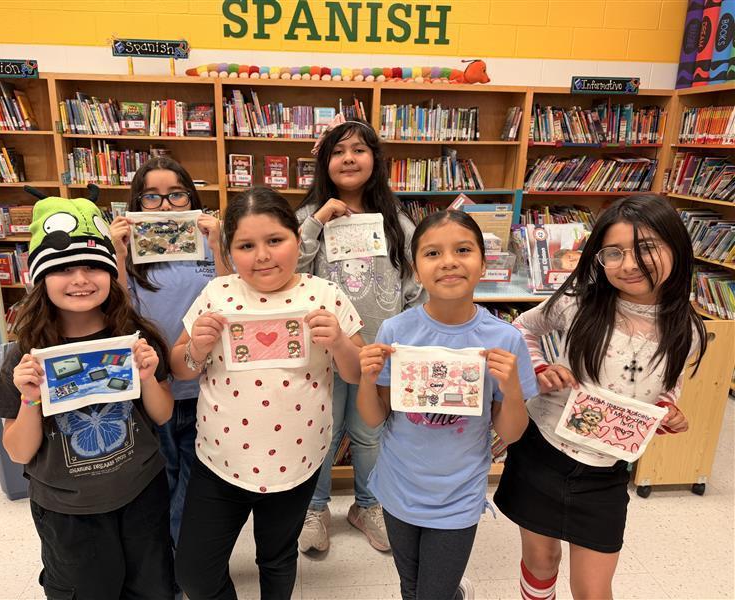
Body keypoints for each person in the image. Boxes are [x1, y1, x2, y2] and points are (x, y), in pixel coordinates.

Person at [493, 194, 708, 600]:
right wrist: (537, 370)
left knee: (593, 589)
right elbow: (521, 328)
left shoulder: (688, 328)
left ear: (676, 247)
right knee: (541, 564)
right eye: (614, 252)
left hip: (607, 469)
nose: (629, 264)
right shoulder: (578, 304)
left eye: (646, 248)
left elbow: (669, 384)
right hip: (543, 451)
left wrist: (665, 411)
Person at [171, 187, 364, 599]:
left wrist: (341, 344)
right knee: (195, 572)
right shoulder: (217, 294)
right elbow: (180, 367)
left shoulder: (324, 294)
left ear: (298, 237)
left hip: (297, 461)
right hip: (220, 460)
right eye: (246, 245)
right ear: (229, 249)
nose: (262, 256)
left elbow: (357, 371)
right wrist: (196, 348)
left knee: (277, 559)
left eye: (275, 240)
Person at [0, 195, 175, 599]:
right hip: (67, 509)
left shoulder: (133, 335)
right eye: (62, 269)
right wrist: (30, 398)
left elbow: (162, 414)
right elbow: (19, 452)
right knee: (85, 590)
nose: (80, 279)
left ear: (110, 271)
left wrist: (146, 377)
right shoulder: (24, 355)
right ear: (41, 278)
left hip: (141, 492)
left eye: (92, 265)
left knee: (153, 587)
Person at [356, 210, 538, 600]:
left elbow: (511, 433)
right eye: (433, 253)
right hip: (398, 486)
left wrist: (512, 390)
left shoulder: (504, 339)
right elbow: (374, 419)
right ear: (415, 269)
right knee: (411, 586)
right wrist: (368, 379)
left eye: (463, 249)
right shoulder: (396, 331)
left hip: (458, 494)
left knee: (431, 594)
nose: (450, 261)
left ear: (483, 262)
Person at [296, 117, 423, 553]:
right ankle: (314, 509)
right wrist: (317, 221)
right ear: (323, 162)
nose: (348, 158)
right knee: (323, 432)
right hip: (323, 352)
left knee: (370, 433)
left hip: (379, 352)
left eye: (359, 150)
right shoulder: (305, 218)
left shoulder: (398, 221)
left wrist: (402, 339)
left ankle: (368, 505)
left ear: (375, 159)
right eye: (337, 151)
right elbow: (285, 273)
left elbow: (415, 285)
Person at [109, 156, 226, 545]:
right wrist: (119, 255)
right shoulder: (129, 253)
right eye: (152, 198)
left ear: (191, 197)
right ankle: (166, 561)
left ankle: (182, 562)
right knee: (161, 477)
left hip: (203, 385)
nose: (165, 206)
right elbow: (117, 315)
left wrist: (219, 245)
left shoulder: (209, 247)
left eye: (176, 195)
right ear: (136, 203)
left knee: (196, 480)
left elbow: (232, 301)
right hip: (152, 387)